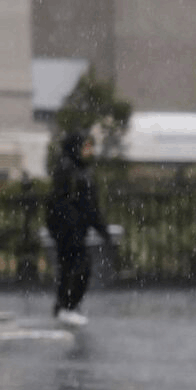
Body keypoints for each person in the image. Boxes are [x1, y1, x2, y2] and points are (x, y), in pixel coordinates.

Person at [46, 131, 111, 326]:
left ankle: (64, 307)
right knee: (78, 269)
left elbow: (86, 205)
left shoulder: (73, 168)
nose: (89, 151)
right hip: (69, 230)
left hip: (71, 229)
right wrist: (97, 227)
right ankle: (67, 306)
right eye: (86, 146)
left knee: (70, 269)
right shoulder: (71, 170)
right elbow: (82, 204)